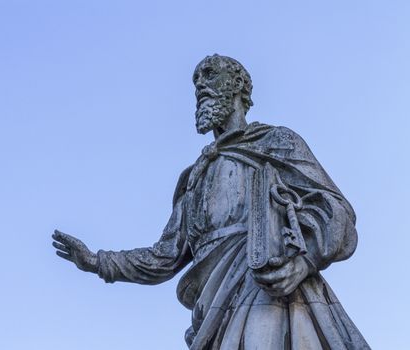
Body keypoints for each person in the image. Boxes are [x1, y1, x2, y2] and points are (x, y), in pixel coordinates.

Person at [52, 54, 370, 349]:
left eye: (209, 76)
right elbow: (164, 256)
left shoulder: (276, 141)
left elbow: (335, 209)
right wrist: (97, 261)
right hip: (212, 307)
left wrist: (304, 261)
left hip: (267, 294)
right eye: (196, 82)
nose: (201, 86)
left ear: (238, 87)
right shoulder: (196, 175)